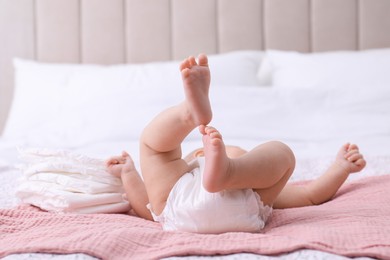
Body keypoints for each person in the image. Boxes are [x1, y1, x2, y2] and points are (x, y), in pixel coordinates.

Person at [106, 54, 366, 233]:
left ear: (196, 154)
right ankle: (231, 171)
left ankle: (187, 115)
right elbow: (311, 196)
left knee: (153, 147)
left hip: (178, 212)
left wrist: (129, 173)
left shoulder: (180, 176)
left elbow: (144, 207)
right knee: (282, 153)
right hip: (245, 208)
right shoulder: (258, 184)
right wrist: (340, 169)